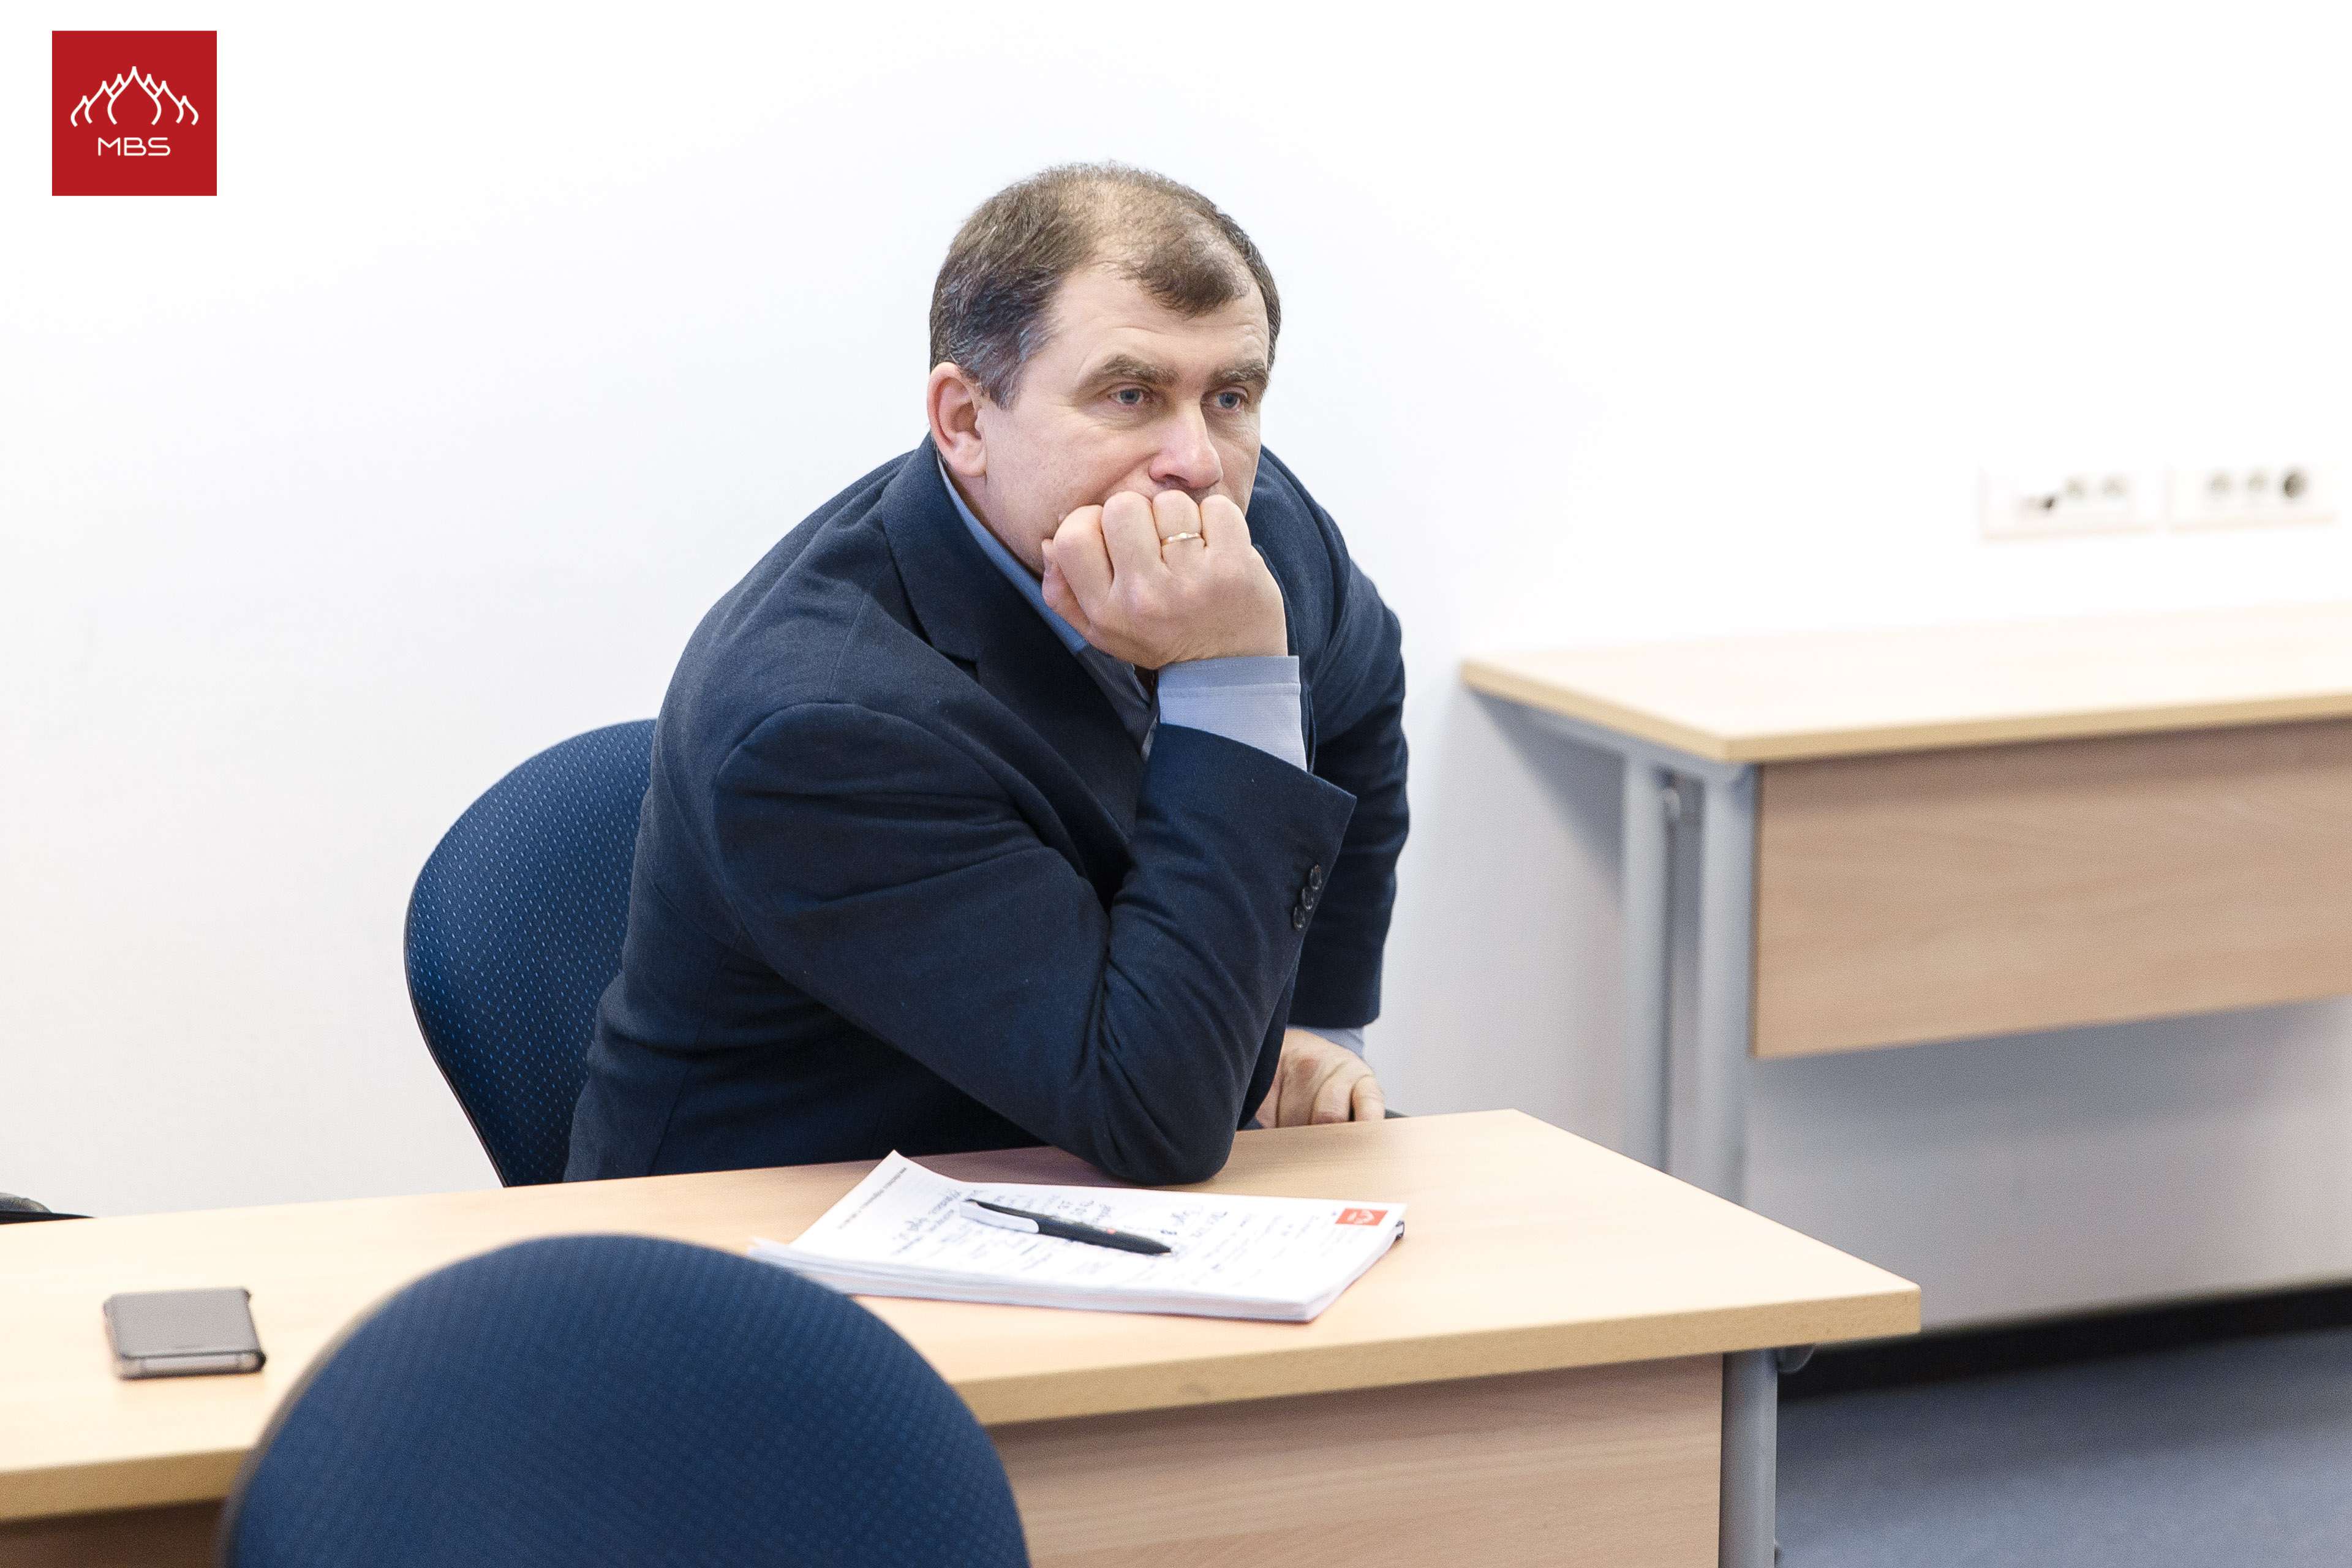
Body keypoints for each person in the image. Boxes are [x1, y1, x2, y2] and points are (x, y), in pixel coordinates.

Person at [566, 163, 1409, 1187]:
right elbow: (1159, 1119)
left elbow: (1361, 691)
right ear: (965, 421)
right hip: (774, 1234)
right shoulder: (822, 721)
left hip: (1098, 1186)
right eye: (1131, 394)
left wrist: (1316, 1024)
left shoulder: (1249, 532)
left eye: (1229, 396)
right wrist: (1231, 679)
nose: (1195, 460)